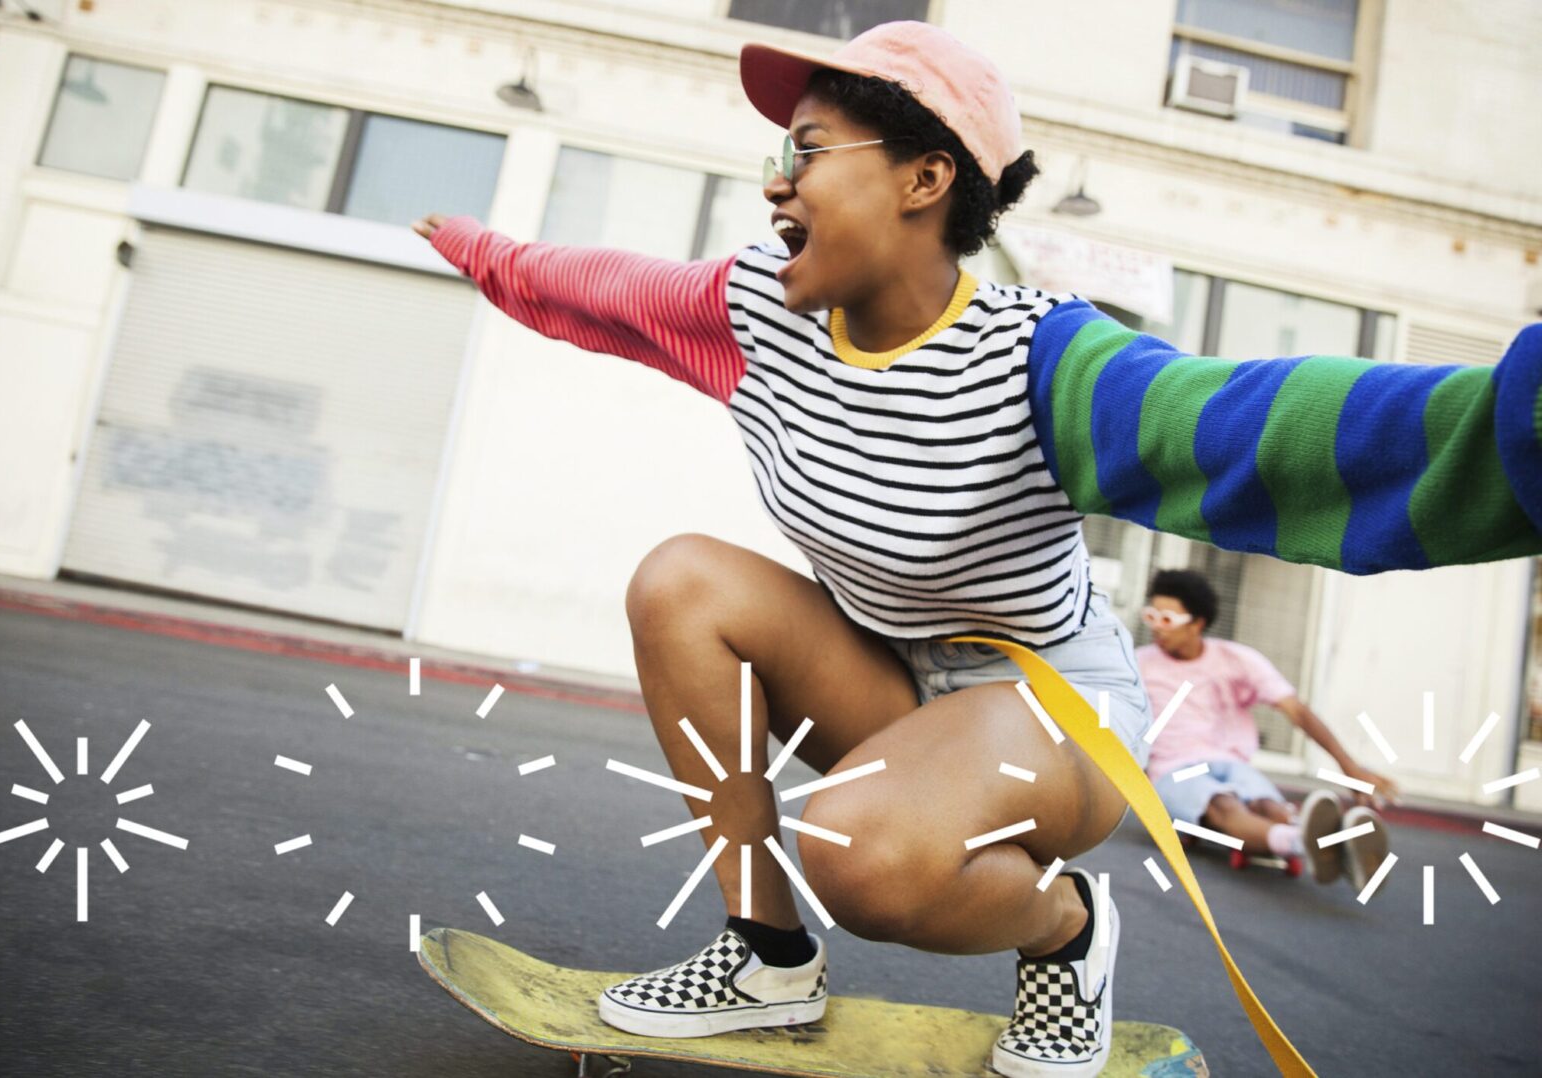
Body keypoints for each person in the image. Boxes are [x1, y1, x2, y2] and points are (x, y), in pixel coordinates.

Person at [412, 20, 1541, 1076]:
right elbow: (589, 287)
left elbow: (1254, 430)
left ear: (922, 177)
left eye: (805, 150)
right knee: (681, 582)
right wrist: (473, 242)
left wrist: (1516, 423)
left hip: (1057, 719)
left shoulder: (1038, 360)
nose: (773, 181)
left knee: (861, 853)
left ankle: (1067, 930)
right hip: (899, 691)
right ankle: (765, 954)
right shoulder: (754, 308)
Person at [1137, 570, 1399, 889]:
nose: (1155, 628)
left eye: (1166, 620)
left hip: (1231, 763)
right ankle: (1312, 844)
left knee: (1269, 806)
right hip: (1173, 768)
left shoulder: (1236, 659)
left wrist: (1351, 769)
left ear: (1197, 623)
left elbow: (1297, 712)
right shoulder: (1139, 663)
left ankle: (1334, 844)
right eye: (1151, 615)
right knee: (1223, 806)